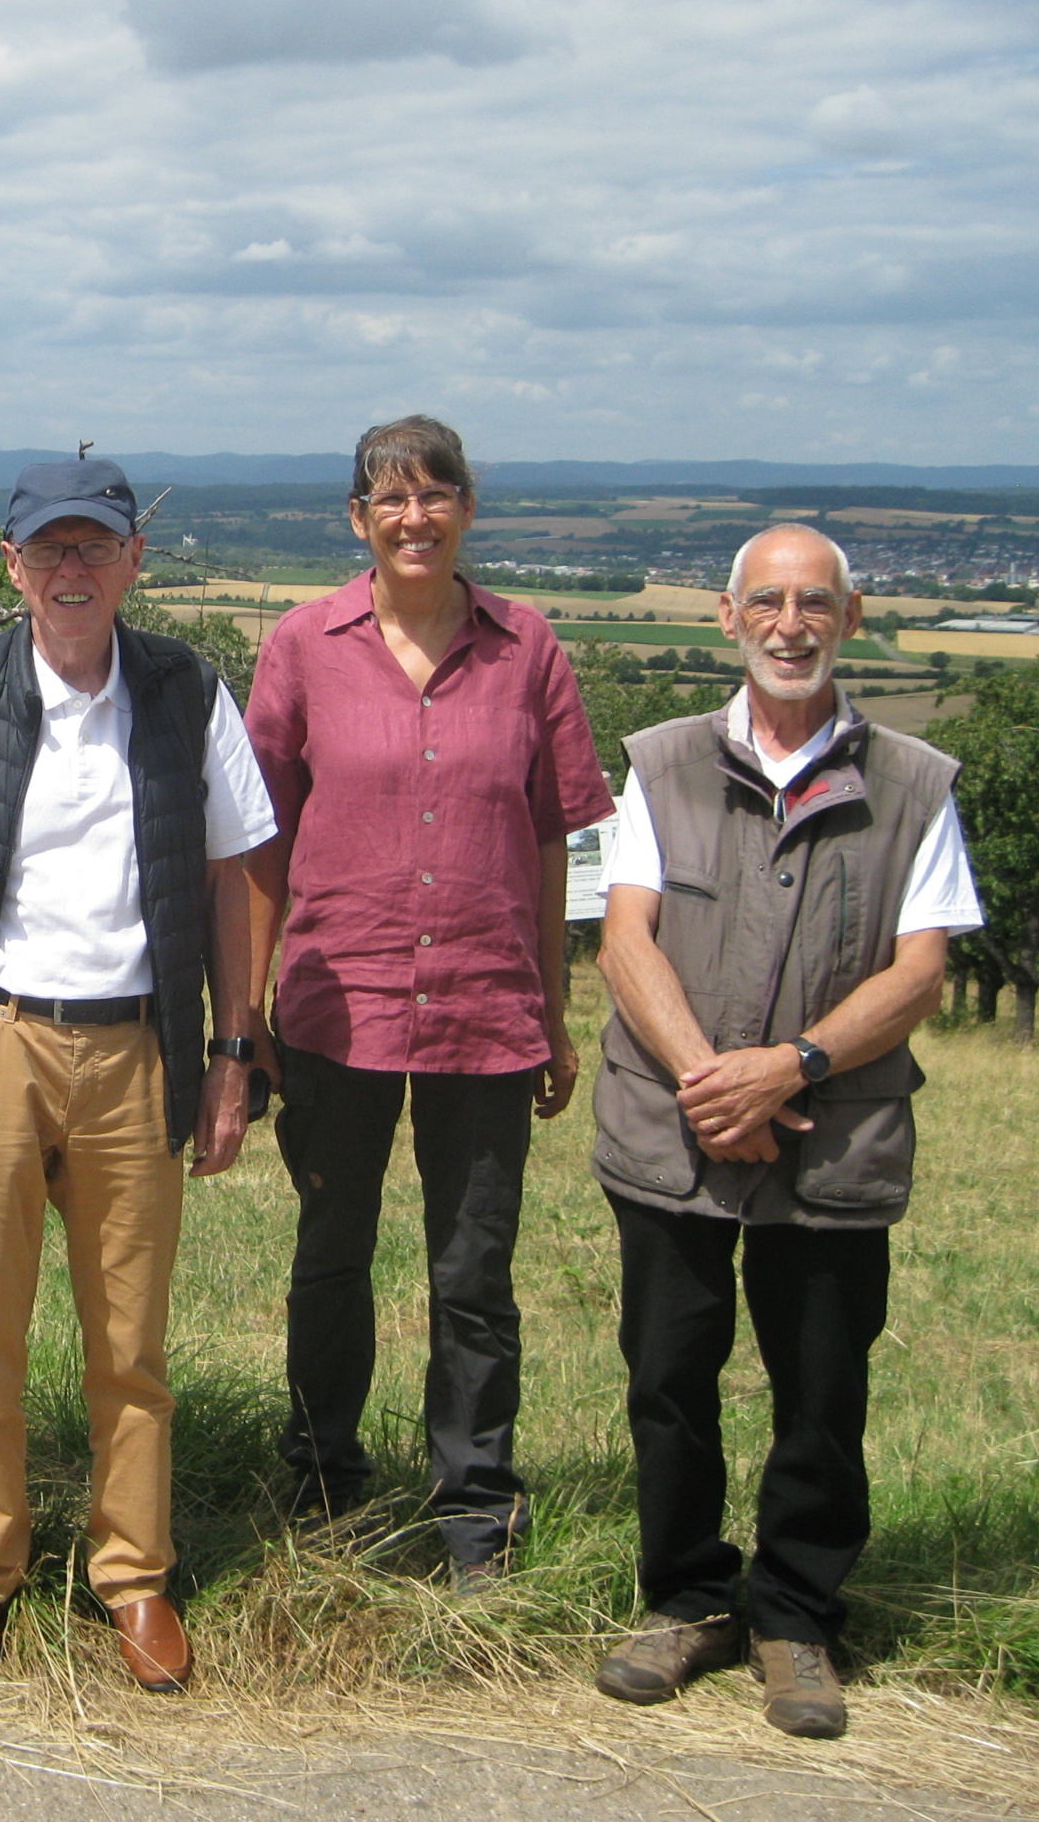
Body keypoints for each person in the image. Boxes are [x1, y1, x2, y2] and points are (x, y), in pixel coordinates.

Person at [0, 457, 275, 1692]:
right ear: (12, 566)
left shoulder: (187, 690)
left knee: (131, 1343)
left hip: (139, 1050)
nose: (72, 569)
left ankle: (134, 1577)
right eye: (48, 548)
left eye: (95, 545)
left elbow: (236, 876)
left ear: (134, 559)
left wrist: (234, 1054)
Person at [589, 524, 979, 1739]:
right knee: (668, 1378)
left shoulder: (915, 783)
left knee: (820, 1387)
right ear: (727, 617)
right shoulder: (658, 763)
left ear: (849, 620)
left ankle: (796, 1617)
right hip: (673, 1130)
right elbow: (624, 938)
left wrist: (788, 1069)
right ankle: (687, 1600)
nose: (790, 626)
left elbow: (920, 970)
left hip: (831, 1136)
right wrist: (711, 1084)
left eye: (815, 604)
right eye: (767, 601)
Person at [241, 415, 612, 1586]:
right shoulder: (302, 645)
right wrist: (242, 1014)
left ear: (465, 509)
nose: (415, 517)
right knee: (330, 1258)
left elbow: (549, 841)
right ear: (358, 520)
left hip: (484, 1008)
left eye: (434, 494)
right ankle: (323, 1486)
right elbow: (256, 841)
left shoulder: (527, 647)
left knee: (473, 1276)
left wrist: (553, 1013)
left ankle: (474, 1514)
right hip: (334, 1004)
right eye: (390, 499)